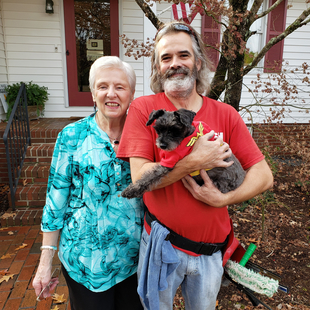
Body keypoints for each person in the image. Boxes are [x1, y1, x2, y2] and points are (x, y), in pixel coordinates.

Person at [117, 21, 274, 310]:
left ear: (198, 62)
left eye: (183, 55)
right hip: (161, 245)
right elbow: (140, 177)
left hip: (211, 252)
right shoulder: (145, 109)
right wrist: (195, 161)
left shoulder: (225, 114)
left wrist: (224, 198)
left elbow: (264, 176)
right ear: (157, 66)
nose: (175, 64)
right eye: (166, 58)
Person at [32, 56, 144, 310]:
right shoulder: (72, 136)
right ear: (93, 93)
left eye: (120, 86)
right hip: (85, 263)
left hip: (135, 261)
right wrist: (45, 261)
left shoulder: (144, 135)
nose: (111, 94)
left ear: (132, 93)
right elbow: (55, 200)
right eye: (102, 86)